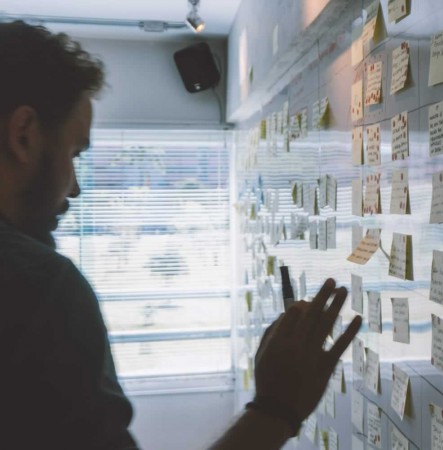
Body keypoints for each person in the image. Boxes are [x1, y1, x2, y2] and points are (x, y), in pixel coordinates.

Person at [0, 20, 362, 450]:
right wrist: (278, 407)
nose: (75, 187)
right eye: (74, 153)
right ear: (24, 136)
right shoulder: (39, 287)